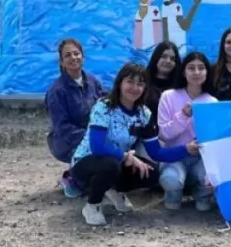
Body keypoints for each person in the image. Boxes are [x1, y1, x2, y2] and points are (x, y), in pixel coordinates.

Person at [69, 62, 197, 226]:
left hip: (118, 161)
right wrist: (124, 156)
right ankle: (92, 205)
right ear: (120, 82)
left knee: (151, 174)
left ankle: (115, 190)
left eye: (140, 83)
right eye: (130, 81)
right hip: (87, 161)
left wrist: (186, 149)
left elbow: (156, 152)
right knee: (110, 166)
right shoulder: (104, 107)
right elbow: (97, 147)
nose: (135, 87)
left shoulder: (144, 114)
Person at [44, 38, 106, 198]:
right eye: (68, 55)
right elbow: (62, 126)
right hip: (66, 141)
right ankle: (72, 178)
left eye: (76, 53)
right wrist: (90, 138)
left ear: (83, 57)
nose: (73, 58)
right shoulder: (56, 91)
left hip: (92, 135)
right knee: (97, 155)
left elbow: (106, 104)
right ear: (62, 61)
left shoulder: (93, 82)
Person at [157, 52, 218, 211]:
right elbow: (164, 134)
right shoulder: (168, 96)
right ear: (183, 72)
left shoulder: (212, 102)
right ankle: (172, 195)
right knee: (171, 180)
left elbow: (215, 137)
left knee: (212, 178)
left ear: (207, 72)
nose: (196, 72)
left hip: (200, 159)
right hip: (174, 156)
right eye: (191, 68)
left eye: (201, 68)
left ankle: (202, 195)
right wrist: (183, 116)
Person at [142, 41, 182, 137]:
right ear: (156, 58)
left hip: (174, 137)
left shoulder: (180, 87)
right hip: (146, 138)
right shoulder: (142, 81)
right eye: (163, 56)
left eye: (172, 59)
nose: (168, 61)